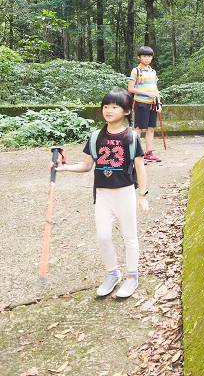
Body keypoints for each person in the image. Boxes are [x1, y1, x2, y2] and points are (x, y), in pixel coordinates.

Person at [54, 89, 149, 298]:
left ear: (125, 111)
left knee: (129, 237)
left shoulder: (131, 137)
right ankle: (112, 274)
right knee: (103, 236)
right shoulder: (96, 136)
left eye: (115, 107)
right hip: (103, 194)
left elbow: (140, 167)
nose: (109, 110)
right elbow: (87, 165)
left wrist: (142, 195)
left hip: (125, 192)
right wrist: (65, 168)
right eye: (106, 106)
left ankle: (132, 276)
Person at [128, 46, 162, 163]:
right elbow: (131, 89)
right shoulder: (136, 71)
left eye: (149, 56)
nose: (147, 58)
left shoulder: (153, 71)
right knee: (139, 128)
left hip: (153, 104)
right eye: (144, 56)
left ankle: (149, 152)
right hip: (141, 103)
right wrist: (147, 93)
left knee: (151, 128)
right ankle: (136, 154)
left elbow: (155, 88)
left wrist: (159, 103)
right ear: (139, 57)